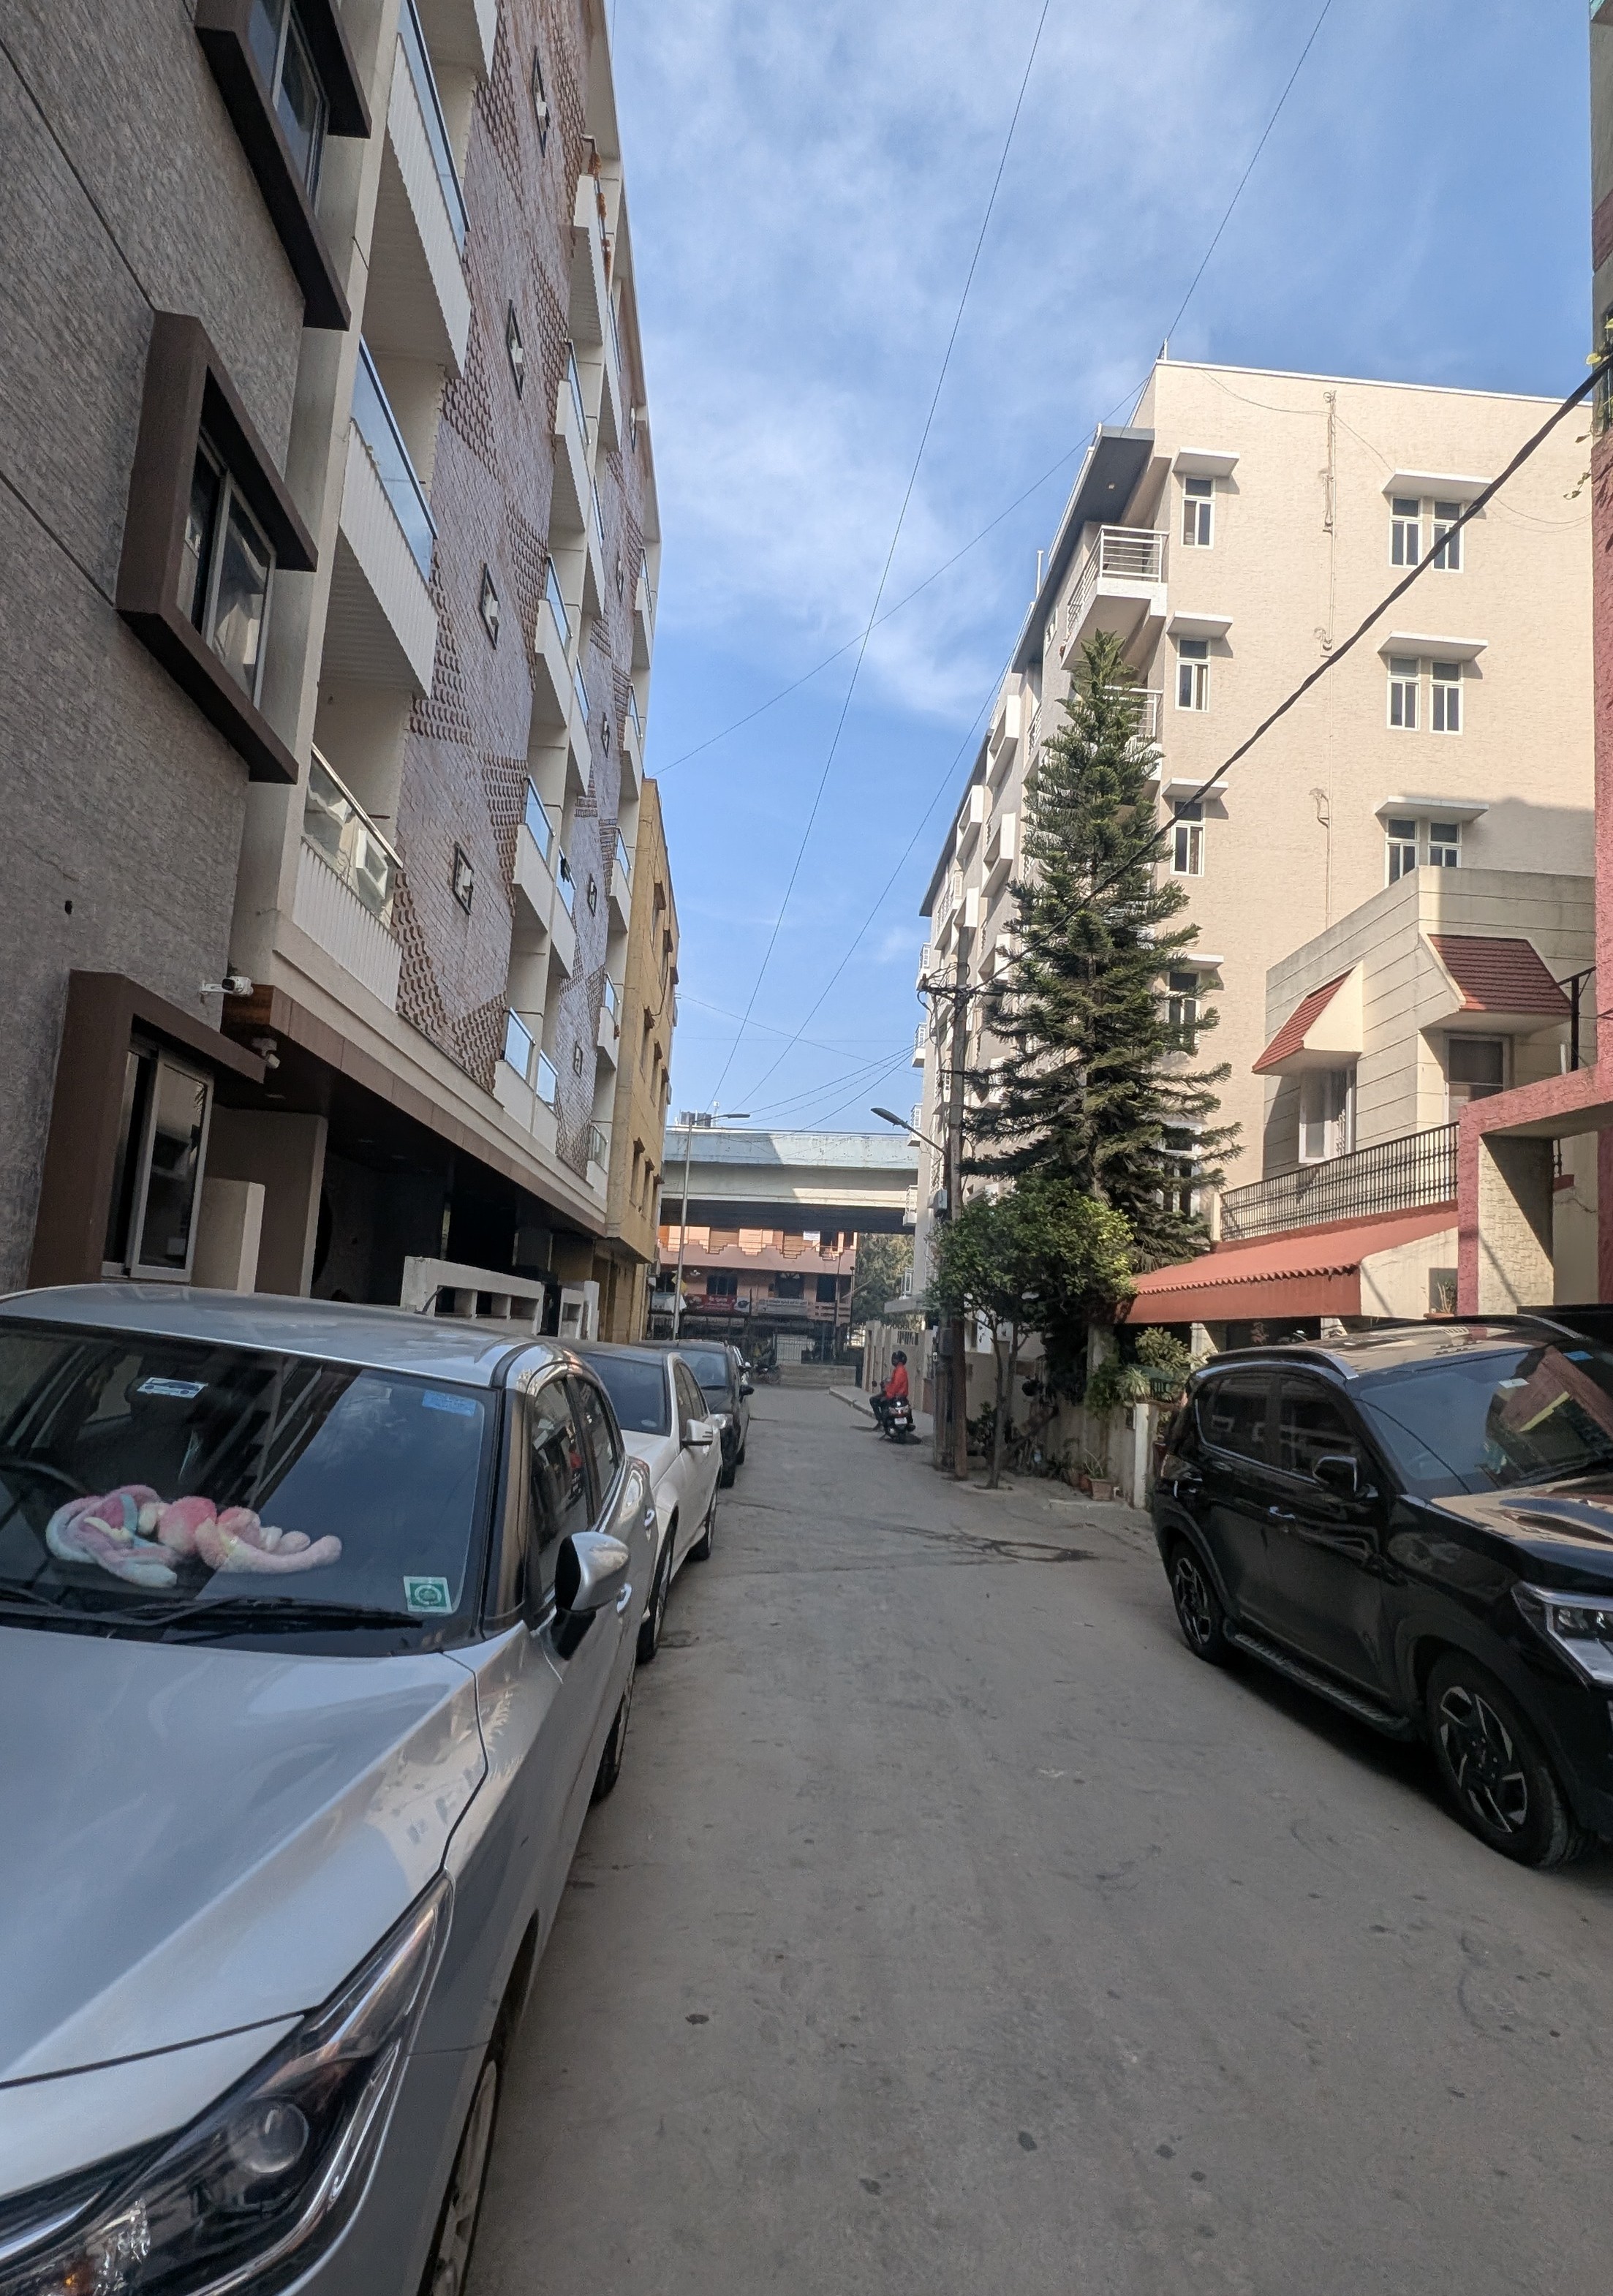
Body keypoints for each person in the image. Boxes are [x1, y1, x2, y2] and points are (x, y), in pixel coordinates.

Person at [870, 1351, 909, 1429]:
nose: (894, 1361)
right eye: (894, 1359)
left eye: (896, 1359)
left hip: (896, 1395)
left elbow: (896, 1385)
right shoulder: (899, 1370)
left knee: (875, 1400)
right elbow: (893, 1383)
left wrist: (888, 1394)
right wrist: (887, 1385)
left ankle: (882, 1422)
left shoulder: (899, 1371)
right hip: (899, 1395)